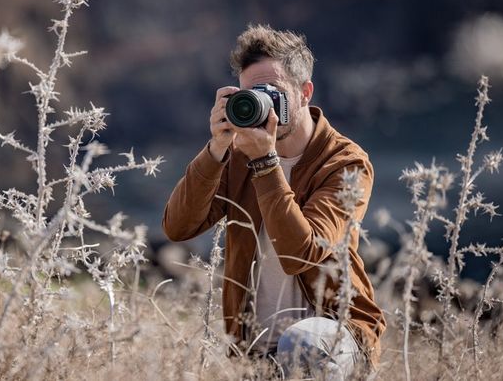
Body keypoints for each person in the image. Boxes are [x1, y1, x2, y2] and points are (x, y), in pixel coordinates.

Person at [162, 24, 386, 379]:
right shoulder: (237, 155)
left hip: (333, 338)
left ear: (305, 92)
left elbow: (302, 253)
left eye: (274, 92)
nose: (262, 102)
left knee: (302, 345)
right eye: (252, 93)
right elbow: (178, 226)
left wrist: (265, 163)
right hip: (255, 346)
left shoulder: (345, 163)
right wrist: (216, 149)